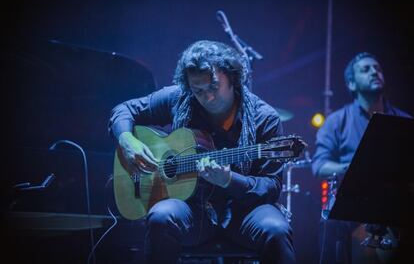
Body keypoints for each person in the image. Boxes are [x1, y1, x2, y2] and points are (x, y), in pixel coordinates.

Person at [108, 40, 296, 263]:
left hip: (244, 213)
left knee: (276, 230)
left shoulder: (264, 118)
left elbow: (271, 187)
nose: (208, 97)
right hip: (193, 211)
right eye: (198, 91)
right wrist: (127, 139)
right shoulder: (180, 98)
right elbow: (123, 110)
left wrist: (229, 180)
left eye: (213, 87)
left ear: (232, 78)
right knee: (160, 216)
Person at [312, 52, 411, 263]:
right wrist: (352, 167)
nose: (374, 72)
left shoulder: (405, 121)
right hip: (354, 200)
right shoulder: (336, 121)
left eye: (377, 68)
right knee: (330, 221)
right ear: (351, 84)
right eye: (365, 70)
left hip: (395, 199)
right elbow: (319, 165)